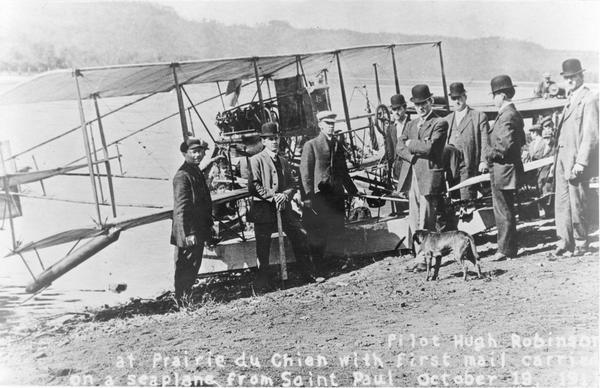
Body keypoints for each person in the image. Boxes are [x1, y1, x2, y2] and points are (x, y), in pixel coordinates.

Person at [248, 122, 315, 288]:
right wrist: (273, 197)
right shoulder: (256, 160)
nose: (274, 142)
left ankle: (307, 274)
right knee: (263, 248)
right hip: (264, 211)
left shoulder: (284, 161)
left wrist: (285, 195)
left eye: (276, 138)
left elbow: (292, 184)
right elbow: (254, 186)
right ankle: (264, 283)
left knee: (300, 236)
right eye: (270, 139)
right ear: (263, 141)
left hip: (284, 209)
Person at [300, 110, 358, 270]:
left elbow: (343, 171)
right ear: (320, 125)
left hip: (336, 194)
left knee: (338, 228)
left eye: (333, 124)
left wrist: (353, 190)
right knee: (319, 232)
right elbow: (305, 174)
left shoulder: (338, 145)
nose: (331, 127)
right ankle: (318, 267)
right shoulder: (311, 145)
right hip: (320, 196)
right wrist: (307, 197)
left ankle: (337, 263)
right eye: (327, 124)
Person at [554, 58, 599, 256]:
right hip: (562, 159)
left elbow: (591, 134)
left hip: (575, 161)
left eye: (573, 76)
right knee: (562, 203)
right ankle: (564, 242)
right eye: (567, 77)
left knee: (577, 202)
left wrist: (581, 162)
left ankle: (581, 242)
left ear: (581, 76)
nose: (570, 80)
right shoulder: (569, 99)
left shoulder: (589, 99)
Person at [395, 84, 449, 248]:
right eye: (418, 105)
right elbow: (399, 146)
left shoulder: (439, 122)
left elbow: (430, 148)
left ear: (430, 101)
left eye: (424, 103)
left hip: (428, 176)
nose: (421, 108)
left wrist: (410, 143)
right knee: (414, 216)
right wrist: (412, 155)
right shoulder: (411, 125)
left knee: (426, 217)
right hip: (413, 176)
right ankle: (419, 254)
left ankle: (426, 256)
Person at [485, 75, 526, 260]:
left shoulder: (507, 115)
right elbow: (521, 141)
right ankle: (508, 248)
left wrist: (488, 153)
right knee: (505, 209)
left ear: (501, 95)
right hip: (506, 170)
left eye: (494, 95)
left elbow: (504, 145)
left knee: (503, 211)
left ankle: (505, 250)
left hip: (504, 171)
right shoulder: (512, 113)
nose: (493, 99)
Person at [170, 138, 214, 302]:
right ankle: (181, 300)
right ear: (184, 153)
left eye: (200, 151)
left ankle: (184, 298)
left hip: (198, 229)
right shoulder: (182, 176)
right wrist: (188, 234)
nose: (198, 155)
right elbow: (181, 209)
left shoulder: (195, 171)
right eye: (194, 152)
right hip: (189, 231)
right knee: (186, 266)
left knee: (193, 266)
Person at [444, 82, 490, 202]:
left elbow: (485, 141)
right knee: (453, 201)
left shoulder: (478, 116)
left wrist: (483, 161)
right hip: (451, 169)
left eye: (459, 97)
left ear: (465, 97)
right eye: (454, 98)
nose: (457, 101)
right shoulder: (446, 120)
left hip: (470, 166)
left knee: (468, 200)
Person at [383, 94, 410, 214]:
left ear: (404, 108)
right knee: (400, 199)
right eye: (394, 110)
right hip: (397, 168)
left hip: (410, 166)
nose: (397, 112)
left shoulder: (413, 124)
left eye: (399, 108)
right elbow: (389, 153)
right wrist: (388, 172)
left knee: (412, 197)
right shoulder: (390, 129)